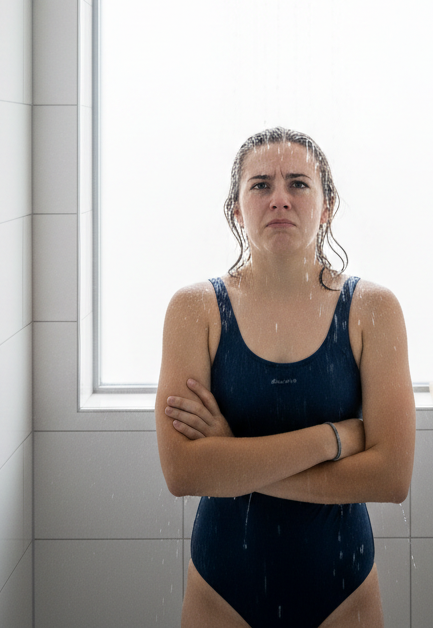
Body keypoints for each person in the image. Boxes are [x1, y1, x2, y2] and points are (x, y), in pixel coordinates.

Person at [156, 127, 415, 627]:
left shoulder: (372, 310)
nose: (279, 199)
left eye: (298, 183)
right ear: (236, 208)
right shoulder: (195, 310)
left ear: (327, 205)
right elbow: (183, 473)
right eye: (260, 185)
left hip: (344, 591)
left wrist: (233, 461)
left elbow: (392, 477)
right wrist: (332, 439)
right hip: (221, 589)